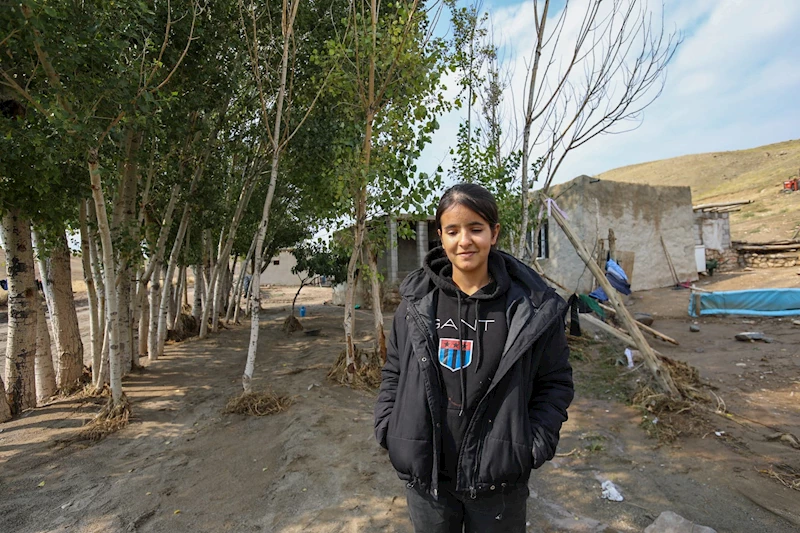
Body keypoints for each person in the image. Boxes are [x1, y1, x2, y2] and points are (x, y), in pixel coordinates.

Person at [374, 183, 574, 532]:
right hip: (428, 477)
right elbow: (394, 372)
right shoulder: (415, 305)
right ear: (440, 236)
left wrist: (532, 444)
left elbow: (555, 382)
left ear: (494, 233)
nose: (464, 240)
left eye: (475, 228)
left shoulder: (531, 309)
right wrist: (389, 429)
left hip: (499, 480)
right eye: (452, 230)